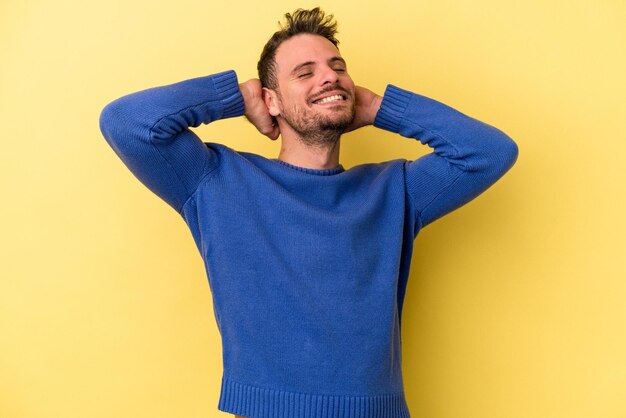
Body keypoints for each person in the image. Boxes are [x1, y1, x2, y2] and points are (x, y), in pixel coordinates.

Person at [99, 7, 518, 418]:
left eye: (338, 67)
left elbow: (490, 152)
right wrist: (238, 96)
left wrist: (376, 107)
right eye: (305, 72)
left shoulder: (395, 191)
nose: (330, 75)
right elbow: (128, 123)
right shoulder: (218, 180)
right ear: (271, 100)